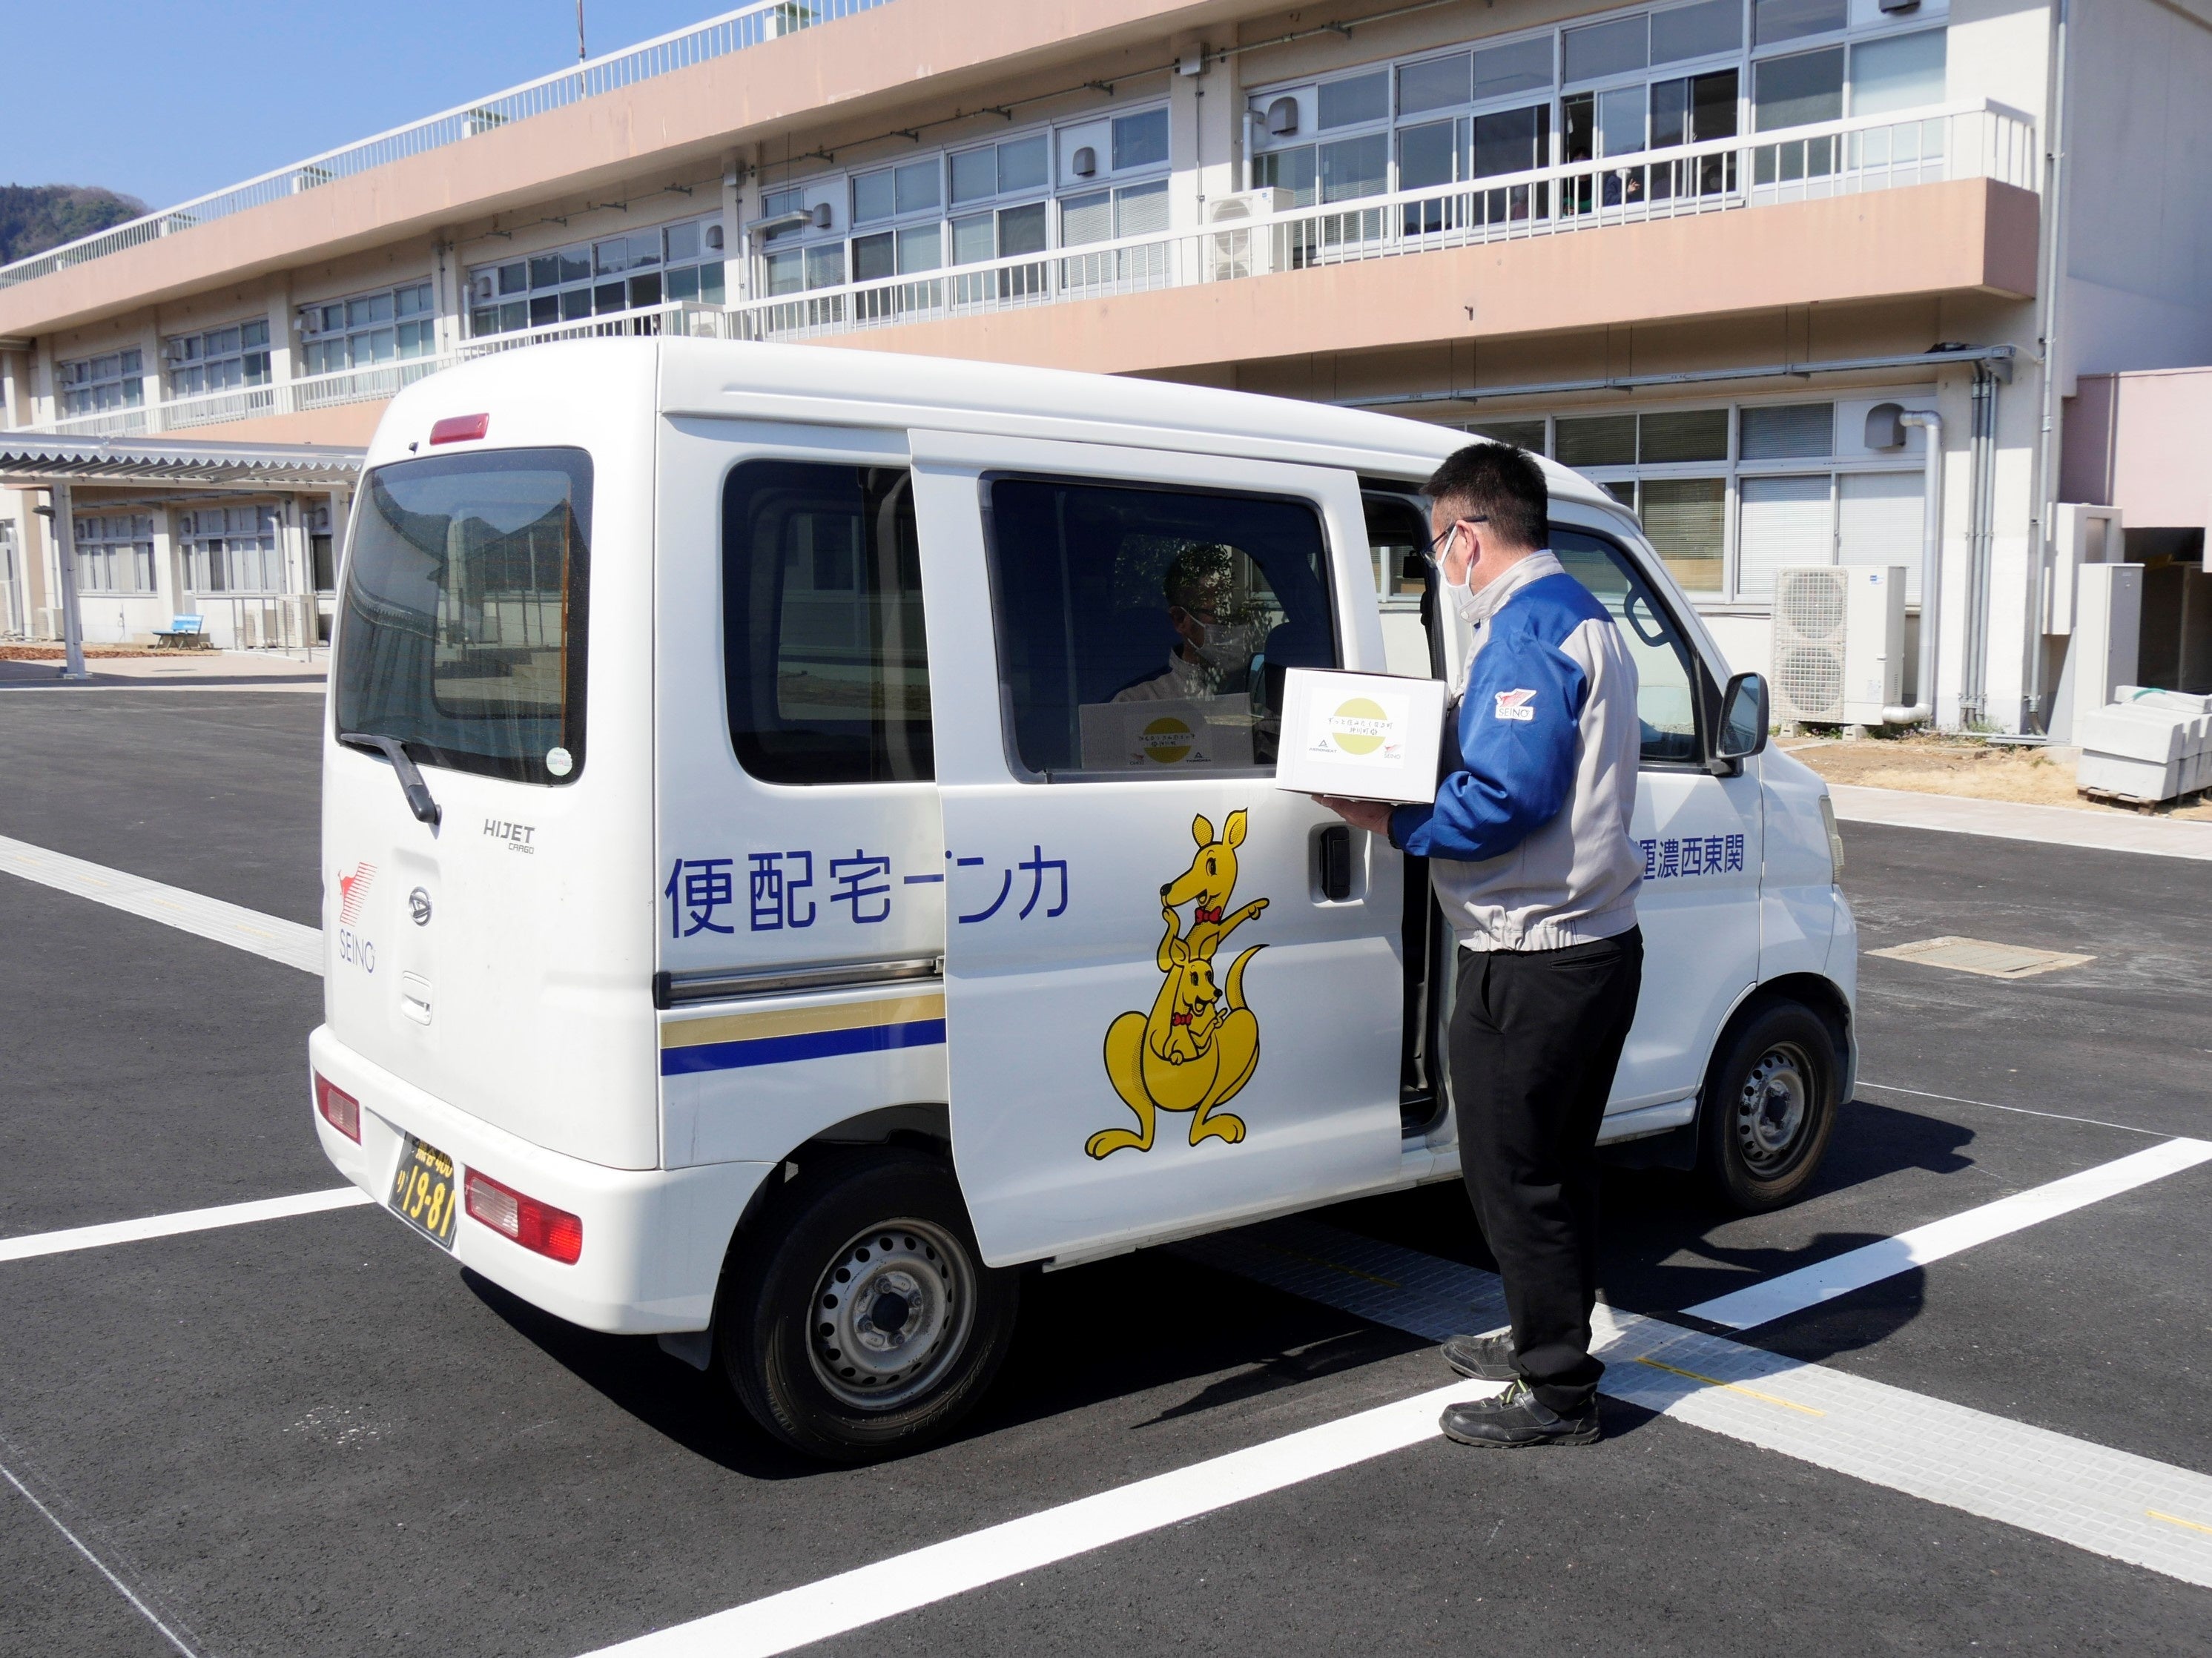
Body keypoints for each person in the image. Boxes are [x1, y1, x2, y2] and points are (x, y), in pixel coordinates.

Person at [1318, 443, 1643, 1449]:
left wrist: (1387, 821)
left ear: (1465, 534)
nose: (1434, 567)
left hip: (1531, 954)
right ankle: (1546, 1332)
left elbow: (1507, 798)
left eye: (1430, 546)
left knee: (1515, 1174)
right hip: (1592, 945)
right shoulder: (1583, 618)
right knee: (1556, 1163)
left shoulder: (1525, 634)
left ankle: (1555, 1391)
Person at [1113, 544, 1257, 703]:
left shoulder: (1262, 689)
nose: (1235, 624)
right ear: (1181, 619)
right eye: (1220, 612)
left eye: (1239, 613)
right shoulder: (1136, 703)